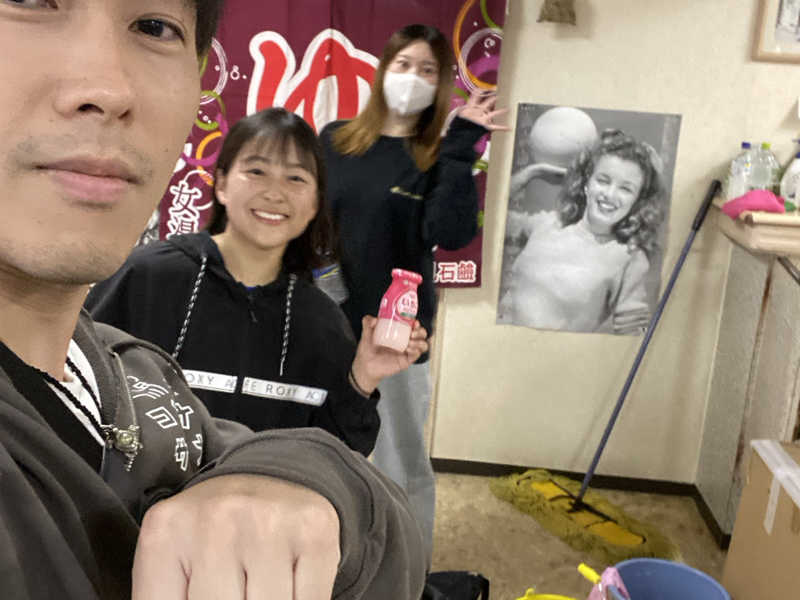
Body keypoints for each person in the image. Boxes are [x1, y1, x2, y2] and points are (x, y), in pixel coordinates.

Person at [0, 1, 425, 598]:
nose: (109, 88)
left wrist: (301, 470)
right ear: (220, 181)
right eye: (29, 0)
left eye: (155, 27)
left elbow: (342, 465)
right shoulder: (152, 276)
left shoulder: (135, 368)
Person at [85, 107, 429, 457]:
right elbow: (78, 386)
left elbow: (333, 455)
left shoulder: (321, 321)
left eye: (295, 178)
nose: (275, 193)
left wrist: (363, 377)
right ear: (221, 184)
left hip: (267, 491)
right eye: (256, 171)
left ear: (315, 203)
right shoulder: (146, 278)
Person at [319, 23, 507, 563]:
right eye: (403, 65)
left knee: (400, 460)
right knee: (321, 448)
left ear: (440, 83)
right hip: (326, 320)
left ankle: (406, 570)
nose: (411, 78)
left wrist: (459, 151)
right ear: (384, 71)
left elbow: (451, 232)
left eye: (427, 70)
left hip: (398, 332)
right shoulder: (335, 140)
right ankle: (329, 558)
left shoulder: (437, 157)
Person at [499, 129, 665, 335]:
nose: (610, 194)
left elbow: (636, 334)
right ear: (587, 184)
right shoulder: (548, 223)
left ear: (637, 199)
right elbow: (487, 215)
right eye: (603, 180)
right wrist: (532, 173)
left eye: (626, 188)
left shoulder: (630, 257)